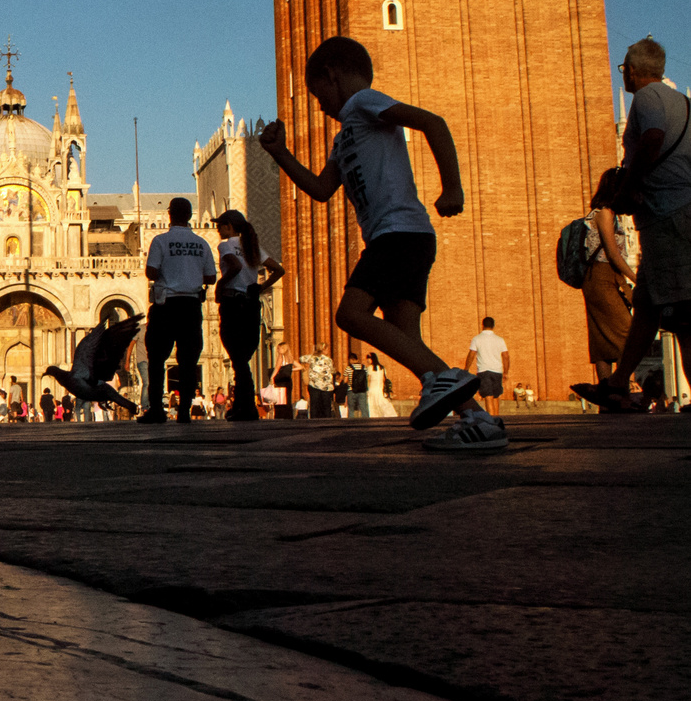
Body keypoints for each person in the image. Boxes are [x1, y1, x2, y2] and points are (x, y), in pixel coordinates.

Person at [261, 36, 502, 450]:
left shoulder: (363, 103)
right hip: (401, 238)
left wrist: (452, 189)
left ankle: (452, 381)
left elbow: (433, 122)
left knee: (350, 314)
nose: (321, 107)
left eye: (320, 96)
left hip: (399, 233)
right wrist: (278, 153)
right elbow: (321, 189)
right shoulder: (344, 136)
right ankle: (478, 420)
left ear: (332, 77)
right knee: (408, 340)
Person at [575, 38, 691, 412]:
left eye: (624, 69)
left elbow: (653, 138)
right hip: (674, 214)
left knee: (682, 311)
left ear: (636, 70)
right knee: (646, 306)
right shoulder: (683, 104)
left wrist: (630, 184)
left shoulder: (648, 98)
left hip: (669, 216)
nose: (622, 76)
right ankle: (617, 384)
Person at [139, 197, 218, 424]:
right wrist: (191, 275)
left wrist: (171, 272)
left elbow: (151, 273)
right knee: (189, 360)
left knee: (156, 359)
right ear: (191, 215)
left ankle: (156, 411)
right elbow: (211, 277)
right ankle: (184, 411)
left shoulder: (161, 241)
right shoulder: (202, 243)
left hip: (166, 305)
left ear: (169, 214)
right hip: (191, 306)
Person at [212, 209, 283, 421]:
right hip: (251, 303)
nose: (218, 228)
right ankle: (243, 406)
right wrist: (261, 287)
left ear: (229, 227)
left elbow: (233, 266)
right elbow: (278, 270)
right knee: (242, 357)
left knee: (236, 354)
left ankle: (247, 407)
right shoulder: (252, 247)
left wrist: (221, 283)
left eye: (221, 224)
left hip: (233, 302)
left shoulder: (226, 245)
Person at [580, 168, 637, 382]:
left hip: (606, 278)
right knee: (627, 334)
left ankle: (608, 392)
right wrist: (635, 277)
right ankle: (618, 387)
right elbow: (612, 253)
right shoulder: (603, 212)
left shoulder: (612, 214)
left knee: (602, 339)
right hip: (602, 276)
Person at [465, 318, 509, 417]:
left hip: (484, 370)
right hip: (497, 370)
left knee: (488, 395)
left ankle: (491, 421)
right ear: (493, 326)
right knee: (496, 395)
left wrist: (466, 368)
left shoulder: (477, 339)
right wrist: (506, 372)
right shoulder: (500, 340)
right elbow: (506, 356)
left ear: (482, 325)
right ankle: (496, 419)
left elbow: (471, 354)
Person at [301, 342, 337, 418]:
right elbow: (333, 371)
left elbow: (301, 359)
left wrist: (312, 354)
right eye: (326, 349)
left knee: (314, 405)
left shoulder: (310, 358)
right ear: (323, 349)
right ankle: (327, 423)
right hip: (326, 386)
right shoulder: (329, 360)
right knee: (326, 407)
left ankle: (314, 422)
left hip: (314, 385)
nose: (328, 350)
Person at [344, 350, 371, 418]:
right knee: (364, 409)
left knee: (351, 410)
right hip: (362, 390)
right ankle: (366, 424)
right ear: (357, 359)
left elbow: (345, 380)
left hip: (351, 390)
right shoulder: (364, 367)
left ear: (351, 359)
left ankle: (351, 425)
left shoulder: (348, 368)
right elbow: (367, 378)